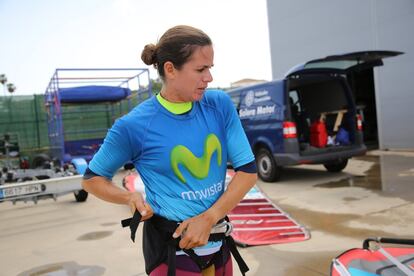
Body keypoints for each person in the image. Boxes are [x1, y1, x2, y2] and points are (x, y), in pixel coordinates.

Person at [82, 25, 257, 276]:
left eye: (210, 68)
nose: (208, 77)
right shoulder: (134, 126)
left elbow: (248, 172)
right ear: (170, 69)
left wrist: (209, 218)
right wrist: (129, 198)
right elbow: (92, 179)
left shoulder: (219, 105)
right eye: (200, 69)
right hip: (171, 256)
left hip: (219, 247)